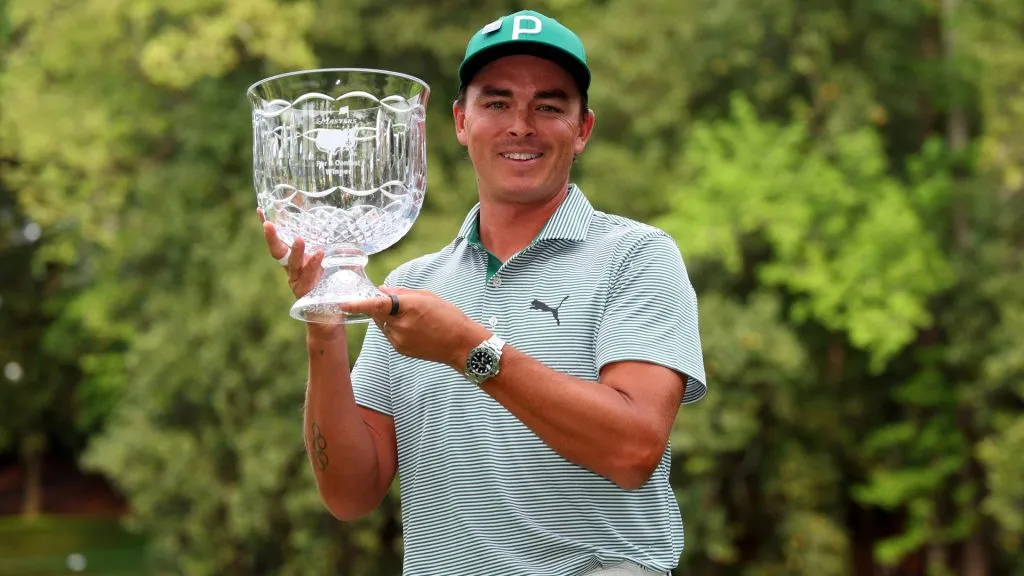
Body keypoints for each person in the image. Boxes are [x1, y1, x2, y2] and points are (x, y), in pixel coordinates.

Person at [260, 9, 707, 576]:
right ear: (460, 121)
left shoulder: (636, 256)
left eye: (549, 105)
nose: (522, 124)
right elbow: (350, 493)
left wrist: (468, 349)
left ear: (583, 129)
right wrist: (323, 320)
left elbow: (633, 451)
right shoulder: (413, 286)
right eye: (496, 103)